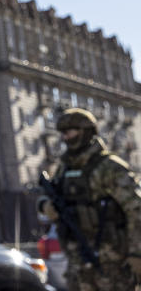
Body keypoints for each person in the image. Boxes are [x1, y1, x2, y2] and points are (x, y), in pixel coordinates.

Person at [38, 108, 141, 291]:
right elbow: (50, 195)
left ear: (86, 132)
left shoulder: (109, 167)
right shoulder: (65, 169)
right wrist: (45, 205)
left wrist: (136, 253)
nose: (65, 138)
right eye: (63, 134)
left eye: (70, 132)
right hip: (77, 262)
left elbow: (136, 210)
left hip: (112, 262)